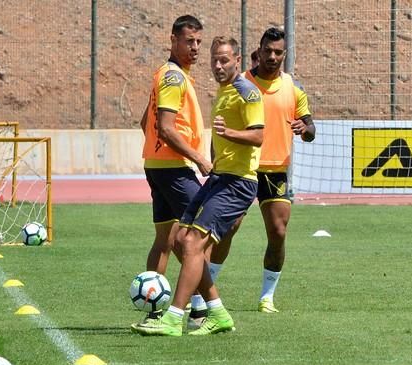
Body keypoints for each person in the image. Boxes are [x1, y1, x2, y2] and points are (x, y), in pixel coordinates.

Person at [133, 36, 264, 337]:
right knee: (178, 239)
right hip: (220, 178)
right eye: (214, 60)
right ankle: (217, 312)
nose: (218, 65)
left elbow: (258, 136)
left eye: (224, 60)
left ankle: (175, 316)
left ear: (237, 60)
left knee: (192, 244)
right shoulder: (224, 91)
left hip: (239, 182)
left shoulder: (248, 92)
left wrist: (228, 133)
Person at [209, 27, 316, 313]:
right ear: (259, 50)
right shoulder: (241, 83)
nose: (272, 56)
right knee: (228, 228)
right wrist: (214, 161)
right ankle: (205, 292)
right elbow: (220, 123)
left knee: (278, 232)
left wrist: (305, 129)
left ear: (285, 53)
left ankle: (267, 297)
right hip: (242, 168)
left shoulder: (294, 88)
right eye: (267, 50)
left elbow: (310, 127)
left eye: (278, 52)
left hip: (275, 170)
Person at [134, 15, 212, 329]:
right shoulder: (173, 78)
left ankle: (154, 307)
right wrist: (200, 159)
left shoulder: (170, 75)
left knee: (165, 240)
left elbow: (145, 124)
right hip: (175, 170)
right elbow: (165, 129)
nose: (194, 48)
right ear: (173, 40)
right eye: (188, 41)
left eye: (198, 42)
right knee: (200, 238)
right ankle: (202, 309)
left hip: (158, 167)